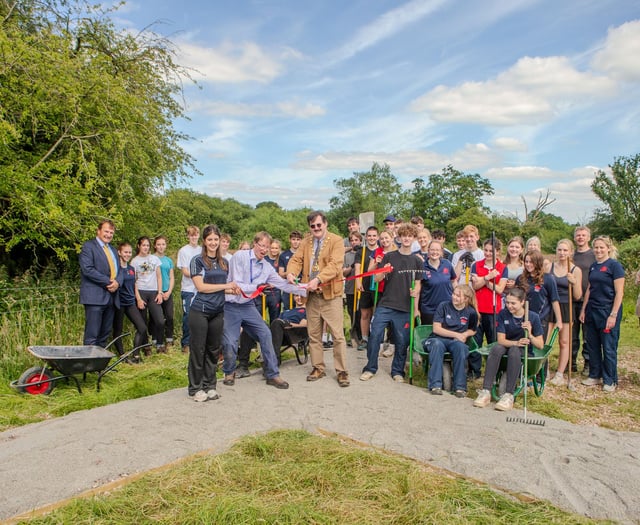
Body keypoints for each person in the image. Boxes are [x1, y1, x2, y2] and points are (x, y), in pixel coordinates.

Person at [223, 231, 305, 389]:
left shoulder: (267, 267)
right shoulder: (240, 256)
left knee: (266, 334)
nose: (264, 250)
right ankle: (229, 371)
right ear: (255, 244)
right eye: (262, 246)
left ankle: (272, 374)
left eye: (267, 247)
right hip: (231, 305)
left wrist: (306, 289)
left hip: (248, 305)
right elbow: (237, 284)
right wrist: (259, 287)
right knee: (230, 341)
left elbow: (282, 284)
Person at [286, 211, 350, 387]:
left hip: (331, 295)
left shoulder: (336, 241)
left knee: (337, 335)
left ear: (325, 224)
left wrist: (318, 279)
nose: (316, 228)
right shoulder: (306, 242)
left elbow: (335, 265)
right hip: (311, 296)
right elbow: (296, 259)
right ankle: (318, 367)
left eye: (319, 225)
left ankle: (342, 371)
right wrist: (291, 272)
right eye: (313, 226)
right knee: (314, 334)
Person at [359, 223, 422, 383]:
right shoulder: (389, 256)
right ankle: (370, 368)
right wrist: (383, 271)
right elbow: (377, 278)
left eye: (410, 236)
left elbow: (419, 284)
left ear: (414, 238)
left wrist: (415, 307)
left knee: (401, 341)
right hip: (386, 304)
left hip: (405, 306)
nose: (406, 238)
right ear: (399, 238)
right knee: (375, 336)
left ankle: (397, 371)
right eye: (404, 235)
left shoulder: (417, 260)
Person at [187, 225, 240, 402]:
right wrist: (227, 286)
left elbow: (222, 289)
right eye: (209, 239)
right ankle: (195, 388)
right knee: (198, 350)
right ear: (204, 241)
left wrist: (236, 291)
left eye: (216, 239)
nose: (213, 242)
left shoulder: (224, 262)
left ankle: (210, 385)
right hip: (200, 312)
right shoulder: (197, 261)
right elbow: (201, 287)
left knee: (213, 350)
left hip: (218, 311)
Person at [473, 287, 544, 411]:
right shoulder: (503, 314)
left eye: (513, 303)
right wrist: (516, 342)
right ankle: (486, 391)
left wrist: (530, 334)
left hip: (523, 349)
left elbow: (540, 345)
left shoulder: (533, 317)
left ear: (522, 302)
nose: (509, 306)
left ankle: (509, 395)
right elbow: (501, 340)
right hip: (508, 344)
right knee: (496, 349)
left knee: (514, 351)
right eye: (507, 302)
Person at [579, 236, 624, 393]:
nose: (598, 250)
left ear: (608, 248)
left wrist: (613, 314)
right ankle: (594, 374)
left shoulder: (614, 266)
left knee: (608, 346)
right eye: (596, 248)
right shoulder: (593, 266)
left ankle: (610, 379)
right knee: (593, 344)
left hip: (608, 310)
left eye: (601, 247)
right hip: (592, 310)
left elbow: (619, 293)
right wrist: (584, 309)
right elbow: (589, 290)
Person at [423, 285, 478, 397]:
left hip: (455, 342)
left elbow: (473, 329)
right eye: (454, 294)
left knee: (461, 348)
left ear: (466, 299)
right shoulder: (443, 306)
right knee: (437, 345)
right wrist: (456, 334)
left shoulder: (471, 312)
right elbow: (436, 328)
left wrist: (465, 334)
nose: (454, 297)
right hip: (438, 338)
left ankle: (460, 387)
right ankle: (435, 385)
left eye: (458, 296)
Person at [79, 220, 123, 347]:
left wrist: (118, 283)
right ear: (98, 231)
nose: (109, 235)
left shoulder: (113, 250)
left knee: (104, 335)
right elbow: (87, 269)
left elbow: (119, 270)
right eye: (106, 231)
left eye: (111, 233)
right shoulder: (88, 246)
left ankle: (100, 364)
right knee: (92, 335)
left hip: (111, 298)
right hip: (95, 297)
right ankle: (89, 365)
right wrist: (109, 282)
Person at [549, 239, 582, 386]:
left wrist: (573, 282)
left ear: (570, 252)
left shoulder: (575, 270)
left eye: (565, 250)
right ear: (556, 251)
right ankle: (542, 369)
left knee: (564, 341)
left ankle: (560, 373)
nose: (562, 253)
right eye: (559, 250)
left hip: (566, 306)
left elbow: (578, 295)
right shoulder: (549, 267)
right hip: (550, 306)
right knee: (545, 341)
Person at [112, 242, 148, 362]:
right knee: (118, 330)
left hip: (130, 302)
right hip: (119, 304)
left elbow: (134, 284)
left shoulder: (131, 269)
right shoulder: (115, 269)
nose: (128, 254)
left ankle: (136, 355)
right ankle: (122, 355)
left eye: (129, 252)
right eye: (125, 252)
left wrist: (138, 299)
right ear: (119, 252)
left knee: (142, 327)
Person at [516, 250, 562, 338]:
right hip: (523, 319)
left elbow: (554, 300)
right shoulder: (520, 279)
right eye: (526, 261)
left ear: (538, 262)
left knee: (538, 347)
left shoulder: (548, 279)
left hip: (541, 319)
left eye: (531, 262)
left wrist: (559, 321)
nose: (528, 264)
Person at [131, 236, 165, 354]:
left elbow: (159, 276)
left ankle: (160, 344)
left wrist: (160, 292)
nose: (145, 247)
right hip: (141, 292)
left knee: (160, 320)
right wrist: (138, 299)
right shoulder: (134, 261)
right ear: (139, 246)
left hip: (153, 292)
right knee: (143, 322)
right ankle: (146, 347)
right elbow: (133, 281)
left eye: (147, 245)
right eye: (143, 245)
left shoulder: (154, 259)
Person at [572, 226, 596, 376]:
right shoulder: (571, 255)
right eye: (578, 235)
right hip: (572, 299)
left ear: (588, 237)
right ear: (574, 238)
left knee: (587, 334)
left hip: (588, 299)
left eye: (583, 235)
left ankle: (588, 362)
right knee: (573, 334)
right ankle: (571, 362)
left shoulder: (594, 254)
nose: (580, 237)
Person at [418, 240, 456, 326]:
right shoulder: (422, 267)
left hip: (447, 308)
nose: (435, 252)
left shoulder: (447, 264)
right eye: (432, 250)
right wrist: (416, 309)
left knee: (447, 335)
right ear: (428, 251)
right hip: (429, 310)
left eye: (437, 250)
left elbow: (453, 281)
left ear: (441, 251)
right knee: (430, 336)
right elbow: (418, 288)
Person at [354, 226, 379, 351]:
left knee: (378, 314)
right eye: (369, 235)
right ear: (366, 237)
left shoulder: (381, 250)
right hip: (365, 285)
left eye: (374, 235)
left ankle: (377, 338)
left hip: (379, 286)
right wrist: (358, 282)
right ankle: (364, 338)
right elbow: (358, 268)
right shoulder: (361, 251)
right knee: (365, 313)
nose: (372, 238)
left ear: (377, 237)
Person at [177, 226, 201, 353]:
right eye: (191, 235)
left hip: (201, 288)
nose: (194, 237)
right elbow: (185, 270)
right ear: (188, 236)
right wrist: (196, 275)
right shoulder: (183, 251)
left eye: (196, 234)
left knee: (200, 316)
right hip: (188, 289)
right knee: (188, 316)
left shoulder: (202, 250)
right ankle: (186, 343)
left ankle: (197, 341)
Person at [270, 295, 308, 364]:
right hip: (279, 332)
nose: (299, 298)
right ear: (294, 297)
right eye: (297, 296)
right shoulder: (286, 311)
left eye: (301, 296)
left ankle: (275, 359)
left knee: (277, 322)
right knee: (255, 324)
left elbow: (303, 325)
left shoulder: (307, 311)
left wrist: (291, 324)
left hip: (293, 334)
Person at [154, 235, 175, 348]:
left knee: (170, 316)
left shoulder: (168, 261)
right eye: (159, 244)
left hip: (167, 291)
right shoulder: (152, 258)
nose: (161, 247)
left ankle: (169, 338)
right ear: (155, 246)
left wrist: (169, 291)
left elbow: (171, 277)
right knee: (157, 318)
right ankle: (155, 339)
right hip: (156, 292)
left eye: (163, 244)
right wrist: (160, 292)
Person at [344, 231, 362, 345]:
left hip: (361, 288)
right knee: (352, 312)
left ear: (360, 241)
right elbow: (344, 273)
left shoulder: (364, 253)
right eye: (352, 240)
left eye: (356, 240)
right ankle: (354, 333)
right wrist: (352, 266)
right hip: (350, 288)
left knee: (361, 312)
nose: (354, 242)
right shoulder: (347, 255)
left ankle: (362, 335)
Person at [279, 230, 302, 310]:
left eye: (298, 239)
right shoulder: (283, 255)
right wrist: (290, 274)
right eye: (293, 239)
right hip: (288, 287)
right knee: (287, 310)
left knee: (302, 311)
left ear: (301, 241)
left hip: (301, 286)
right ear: (290, 240)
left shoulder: (304, 254)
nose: (295, 242)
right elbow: (280, 273)